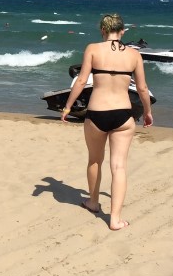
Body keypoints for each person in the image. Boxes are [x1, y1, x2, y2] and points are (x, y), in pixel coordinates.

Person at [61, 13, 153, 232]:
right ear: (122, 31)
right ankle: (115, 219)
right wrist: (148, 112)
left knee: (95, 160)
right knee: (119, 166)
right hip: (123, 115)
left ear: (102, 30)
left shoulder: (93, 49)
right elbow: (142, 88)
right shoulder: (134, 55)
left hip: (97, 114)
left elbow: (81, 81)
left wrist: (68, 107)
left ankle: (93, 202)